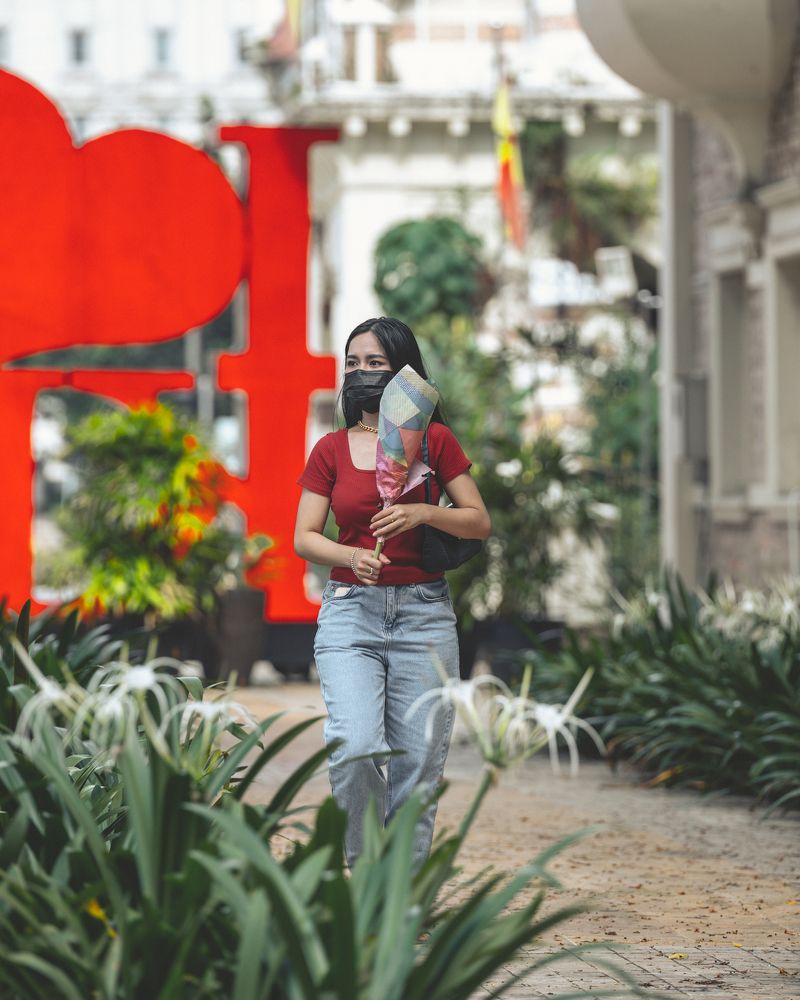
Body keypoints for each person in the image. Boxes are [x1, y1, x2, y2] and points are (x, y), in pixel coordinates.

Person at [294, 316, 491, 867]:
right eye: (353, 364)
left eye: (375, 363)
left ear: (403, 370)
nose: (361, 373)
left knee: (417, 765)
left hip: (424, 616)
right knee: (354, 748)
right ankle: (365, 868)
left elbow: (477, 522)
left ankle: (401, 895)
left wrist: (423, 512)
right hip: (349, 615)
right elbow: (305, 537)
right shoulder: (330, 449)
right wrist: (352, 555)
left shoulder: (434, 441)